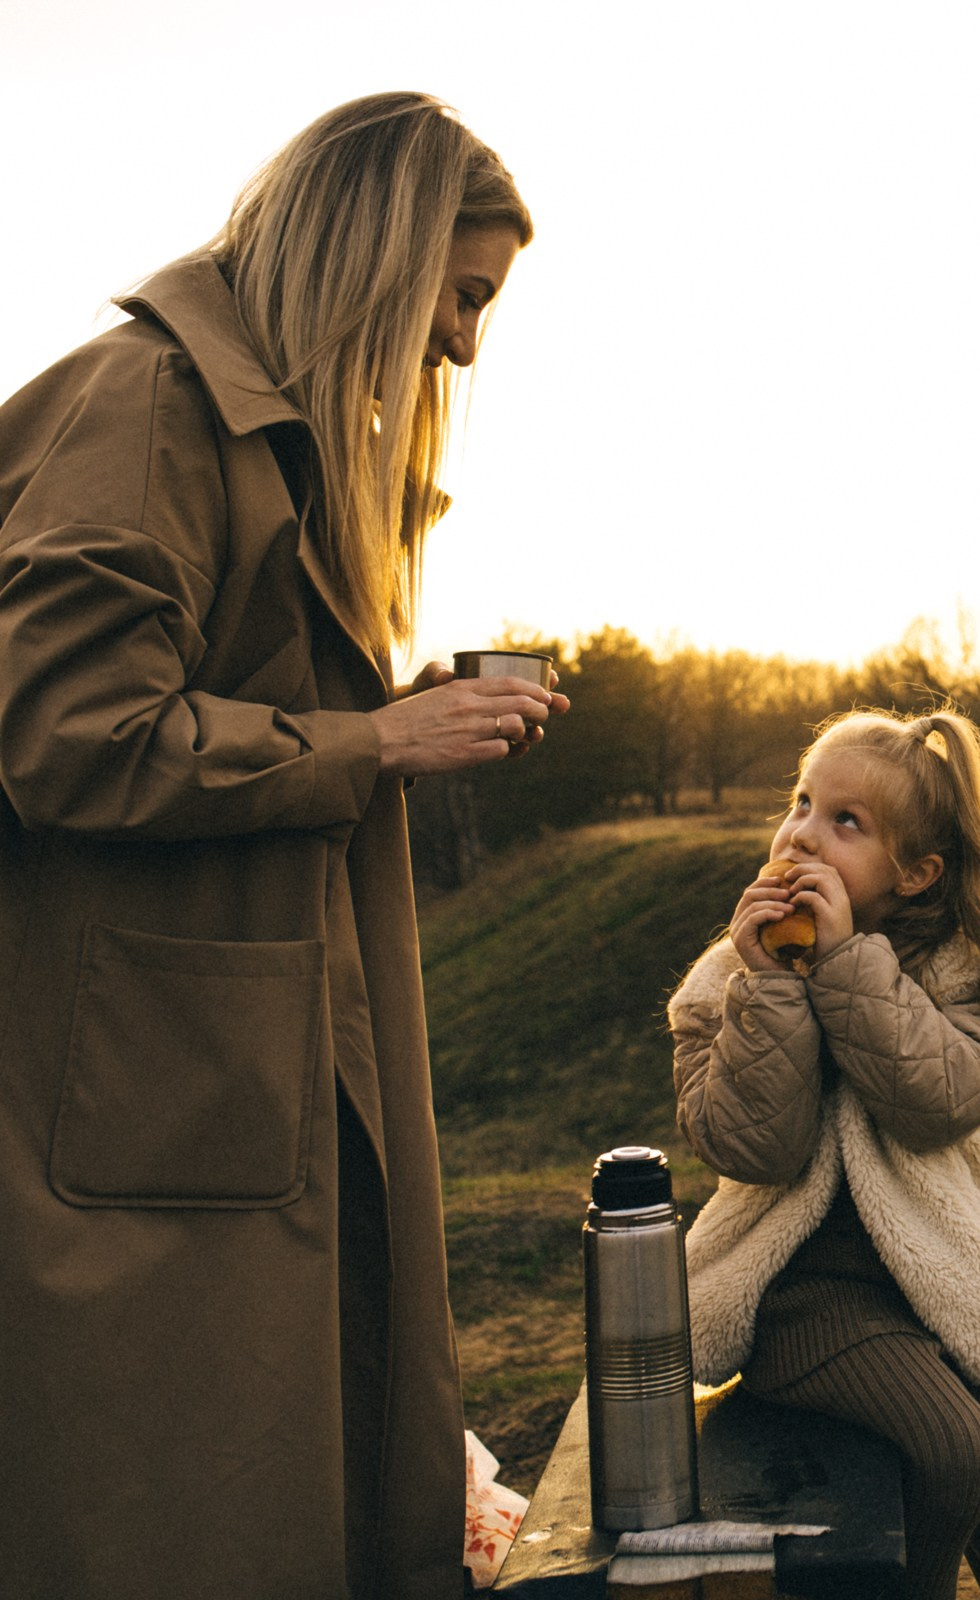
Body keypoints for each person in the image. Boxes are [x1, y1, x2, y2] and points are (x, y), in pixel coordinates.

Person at [0, 93, 561, 1598]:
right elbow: (68, 730)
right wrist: (374, 742)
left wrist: (394, 713)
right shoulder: (143, 408)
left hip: (227, 1079)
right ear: (377, 256)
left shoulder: (252, 437)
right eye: (463, 296)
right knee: (176, 1515)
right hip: (145, 1096)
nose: (463, 347)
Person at [672, 709, 980, 1600]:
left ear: (916, 875)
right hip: (798, 1297)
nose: (803, 832)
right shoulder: (727, 979)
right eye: (803, 802)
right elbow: (752, 1147)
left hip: (939, 1288)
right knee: (955, 1450)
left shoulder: (953, 975)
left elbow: (942, 1106)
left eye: (848, 822)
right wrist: (771, 985)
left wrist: (845, 968)